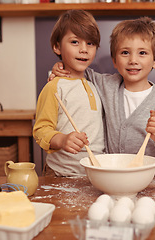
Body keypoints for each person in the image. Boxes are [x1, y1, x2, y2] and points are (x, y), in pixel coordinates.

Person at [51, 17, 155, 176]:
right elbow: (78, 70)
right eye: (125, 53)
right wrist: (60, 66)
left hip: (154, 179)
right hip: (114, 178)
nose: (133, 60)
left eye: (142, 53)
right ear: (114, 60)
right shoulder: (105, 85)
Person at [33, 10, 105, 177]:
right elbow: (41, 130)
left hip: (93, 173)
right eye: (75, 42)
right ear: (57, 47)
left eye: (91, 43)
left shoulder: (95, 85)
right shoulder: (54, 87)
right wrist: (63, 140)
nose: (84, 49)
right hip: (61, 174)